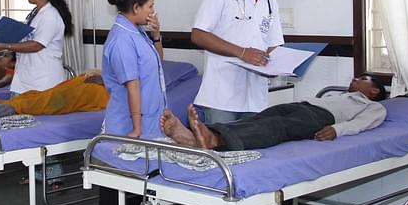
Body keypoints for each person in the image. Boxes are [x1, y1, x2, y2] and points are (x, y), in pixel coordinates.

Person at [190, 0, 295, 205]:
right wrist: (241, 52)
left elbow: (273, 43)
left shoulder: (270, 3)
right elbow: (198, 34)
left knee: (250, 156)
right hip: (222, 93)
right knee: (216, 157)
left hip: (254, 92)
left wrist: (281, 64)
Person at [97, 0, 183, 205]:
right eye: (150, 6)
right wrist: (135, 127)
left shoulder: (137, 32)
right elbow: (132, 87)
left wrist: (157, 36)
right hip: (127, 124)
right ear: (135, 7)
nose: (152, 11)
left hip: (147, 122)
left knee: (147, 181)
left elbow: (157, 65)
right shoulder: (121, 39)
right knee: (115, 187)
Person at [162, 74, 388, 151]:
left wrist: (337, 130)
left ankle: (215, 140)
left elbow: (362, 124)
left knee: (276, 127)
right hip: (302, 106)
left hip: (319, 118)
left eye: (362, 79)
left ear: (374, 90)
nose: (354, 78)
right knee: (259, 119)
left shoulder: (374, 107)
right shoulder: (338, 95)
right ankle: (197, 137)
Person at [0, 0, 73, 94]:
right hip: (28, 77)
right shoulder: (36, 13)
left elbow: (37, 45)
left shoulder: (50, 15)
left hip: (43, 81)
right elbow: (27, 38)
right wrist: (4, 45)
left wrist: (6, 45)